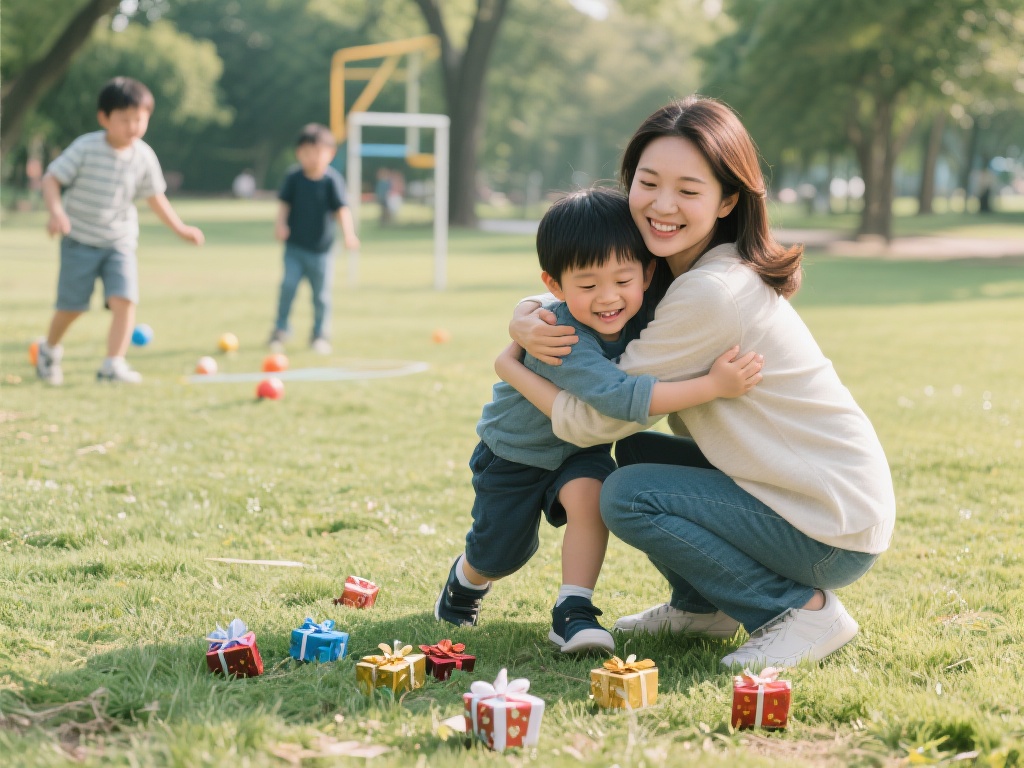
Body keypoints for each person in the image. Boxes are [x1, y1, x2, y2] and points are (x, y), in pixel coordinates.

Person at [501, 96, 896, 670]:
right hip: (819, 501)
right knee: (638, 450)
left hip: (825, 526)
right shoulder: (683, 270)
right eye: (648, 182)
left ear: (728, 200)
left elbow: (599, 418)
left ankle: (801, 611)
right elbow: (586, 294)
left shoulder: (710, 292)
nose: (663, 206)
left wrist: (510, 364)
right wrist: (530, 309)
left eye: (688, 191)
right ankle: (703, 608)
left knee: (627, 492)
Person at [435, 187, 763, 654]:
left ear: (647, 273)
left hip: (579, 450)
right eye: (587, 287)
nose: (608, 299)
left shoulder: (646, 307)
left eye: (622, 280)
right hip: (514, 454)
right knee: (499, 554)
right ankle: (466, 580)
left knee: (592, 498)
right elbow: (616, 396)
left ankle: (574, 609)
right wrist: (712, 386)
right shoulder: (558, 335)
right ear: (556, 285)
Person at [35, 76, 204, 386]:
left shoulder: (143, 156)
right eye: (124, 119)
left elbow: (155, 198)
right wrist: (57, 212)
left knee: (125, 300)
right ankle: (49, 349)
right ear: (104, 118)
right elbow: (51, 179)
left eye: (139, 119)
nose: (133, 127)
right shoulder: (86, 148)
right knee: (72, 307)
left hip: (119, 241)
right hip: (80, 239)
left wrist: (180, 228)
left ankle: (113, 364)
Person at [269, 124, 359, 355]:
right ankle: (280, 329)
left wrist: (349, 234)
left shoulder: (332, 181)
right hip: (295, 248)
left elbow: (342, 210)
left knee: (321, 296)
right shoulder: (294, 177)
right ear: (299, 153)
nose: (313, 158)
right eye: (307, 153)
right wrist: (280, 225)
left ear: (330, 154)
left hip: (322, 251)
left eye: (319, 152)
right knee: (288, 287)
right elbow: (284, 205)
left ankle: (320, 334)